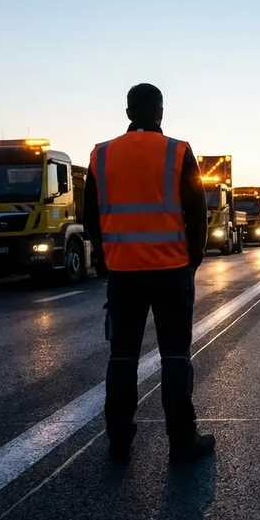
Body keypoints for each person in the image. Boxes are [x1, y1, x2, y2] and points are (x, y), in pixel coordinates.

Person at [83, 83, 214, 463]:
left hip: (123, 273)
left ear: (128, 113)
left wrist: (108, 259)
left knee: (122, 357)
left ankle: (119, 441)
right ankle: (182, 441)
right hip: (171, 271)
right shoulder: (178, 150)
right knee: (175, 356)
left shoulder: (101, 154)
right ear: (160, 112)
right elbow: (197, 212)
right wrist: (193, 259)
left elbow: (90, 217)